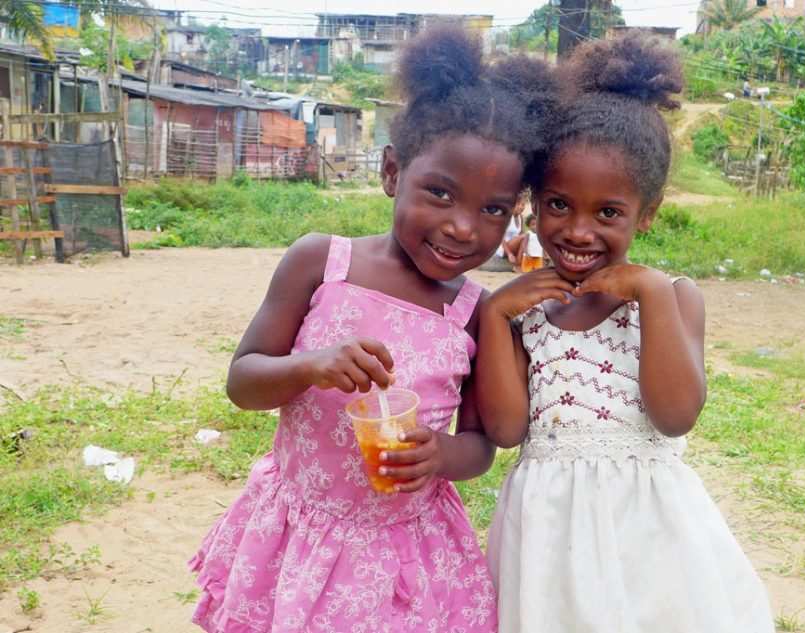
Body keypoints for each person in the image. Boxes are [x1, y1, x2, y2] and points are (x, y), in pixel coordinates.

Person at [189, 26, 551, 633]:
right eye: (440, 193)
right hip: (301, 529)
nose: (464, 228)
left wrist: (442, 456)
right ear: (391, 173)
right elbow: (243, 381)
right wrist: (310, 367)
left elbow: (482, 443)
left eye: (493, 210)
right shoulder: (320, 262)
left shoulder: (474, 312)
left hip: (405, 548)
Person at [476, 33, 775, 633]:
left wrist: (653, 293)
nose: (578, 231)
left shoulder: (672, 298)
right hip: (547, 538)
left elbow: (675, 415)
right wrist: (493, 316)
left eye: (607, 212)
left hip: (649, 536)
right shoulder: (524, 312)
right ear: (533, 202)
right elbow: (507, 431)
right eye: (559, 205)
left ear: (649, 211)